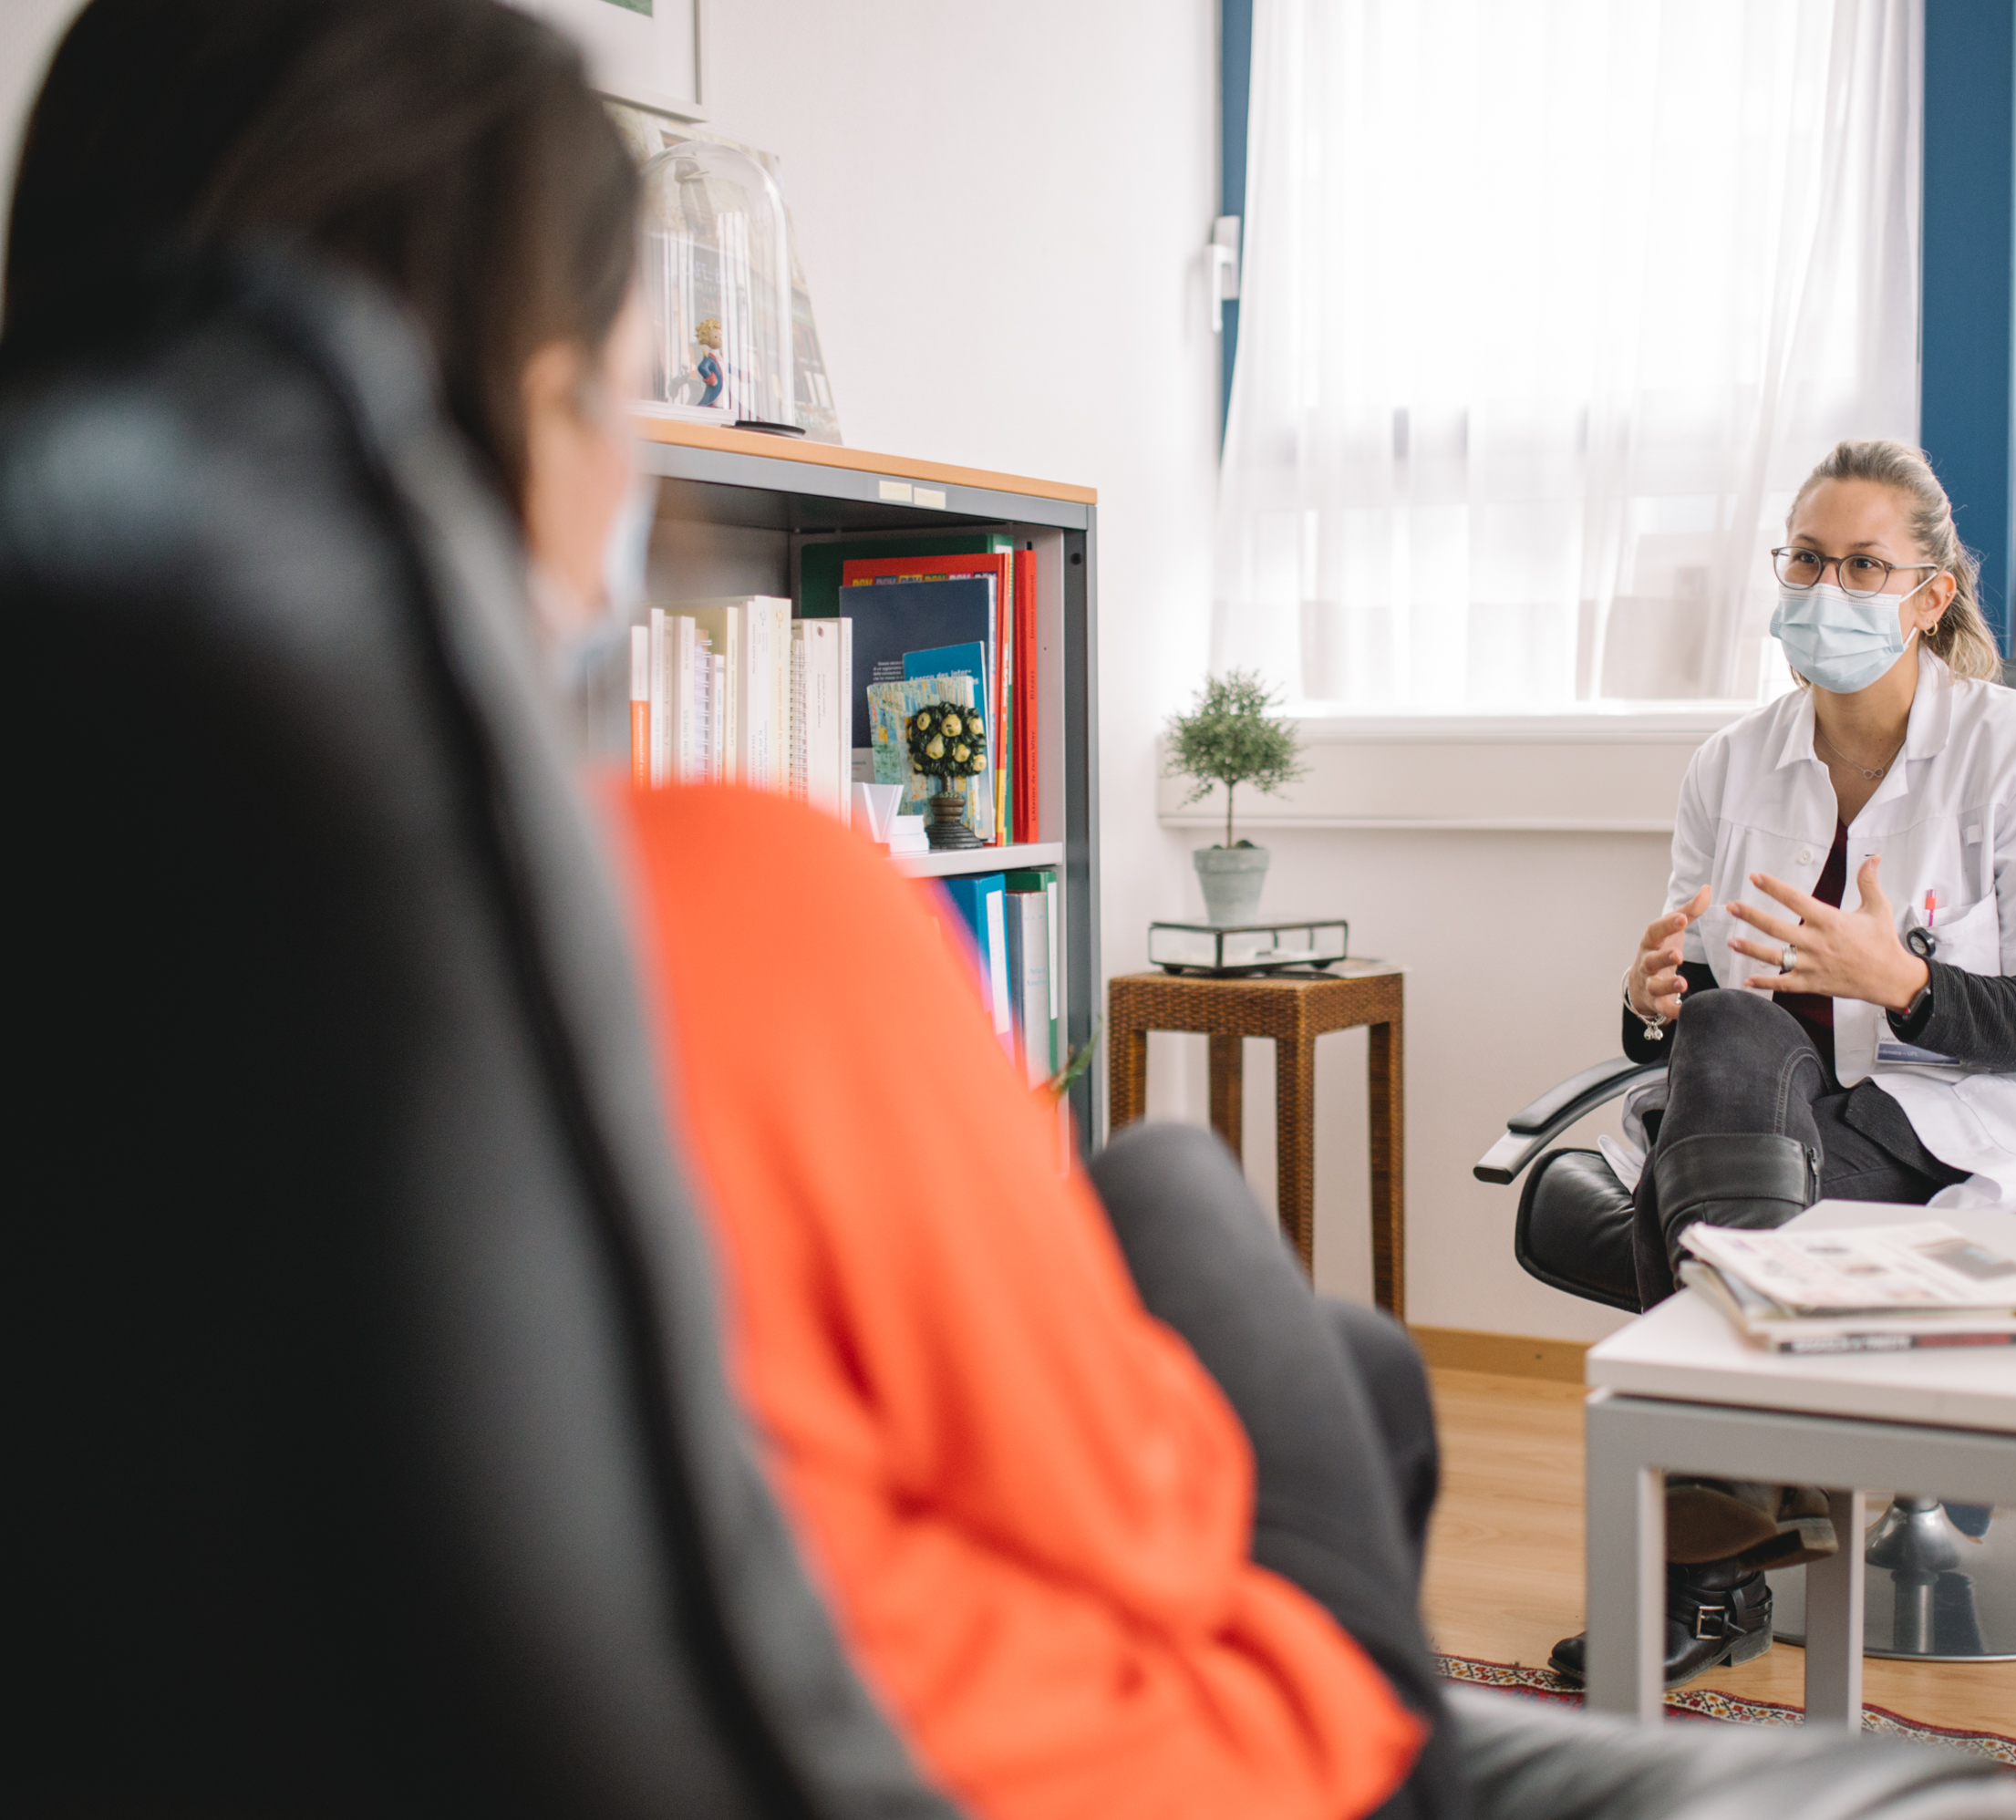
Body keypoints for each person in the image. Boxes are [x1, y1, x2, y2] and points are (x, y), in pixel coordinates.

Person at [3, 5, 1446, 1817]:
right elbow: (1143, 1521)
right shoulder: (728, 896)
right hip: (1114, 1769)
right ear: (534, 413)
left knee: (1282, 1313)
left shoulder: (99, 959)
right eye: (623, 391)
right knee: (1208, 1226)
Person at [1552, 439, 2016, 1687]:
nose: (1828, 590)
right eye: (1808, 560)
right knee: (1722, 1033)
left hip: (1970, 1112)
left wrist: (1905, 985)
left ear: (1930, 594)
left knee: (1698, 1202)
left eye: (1865, 565)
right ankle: (1745, 1510)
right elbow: (1707, 1004)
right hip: (1775, 1110)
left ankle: (1704, 1576)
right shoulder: (1731, 763)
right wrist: (1647, 1002)